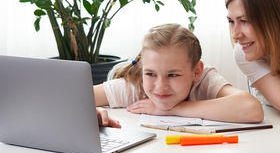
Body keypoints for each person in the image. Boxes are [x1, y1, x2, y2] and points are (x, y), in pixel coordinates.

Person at [94, 23, 264, 128]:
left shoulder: (204, 80)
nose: (160, 86)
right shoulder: (136, 85)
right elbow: (71, 99)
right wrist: (93, 110)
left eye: (173, 75)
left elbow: (252, 109)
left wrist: (169, 110)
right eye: (151, 73)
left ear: (196, 71)